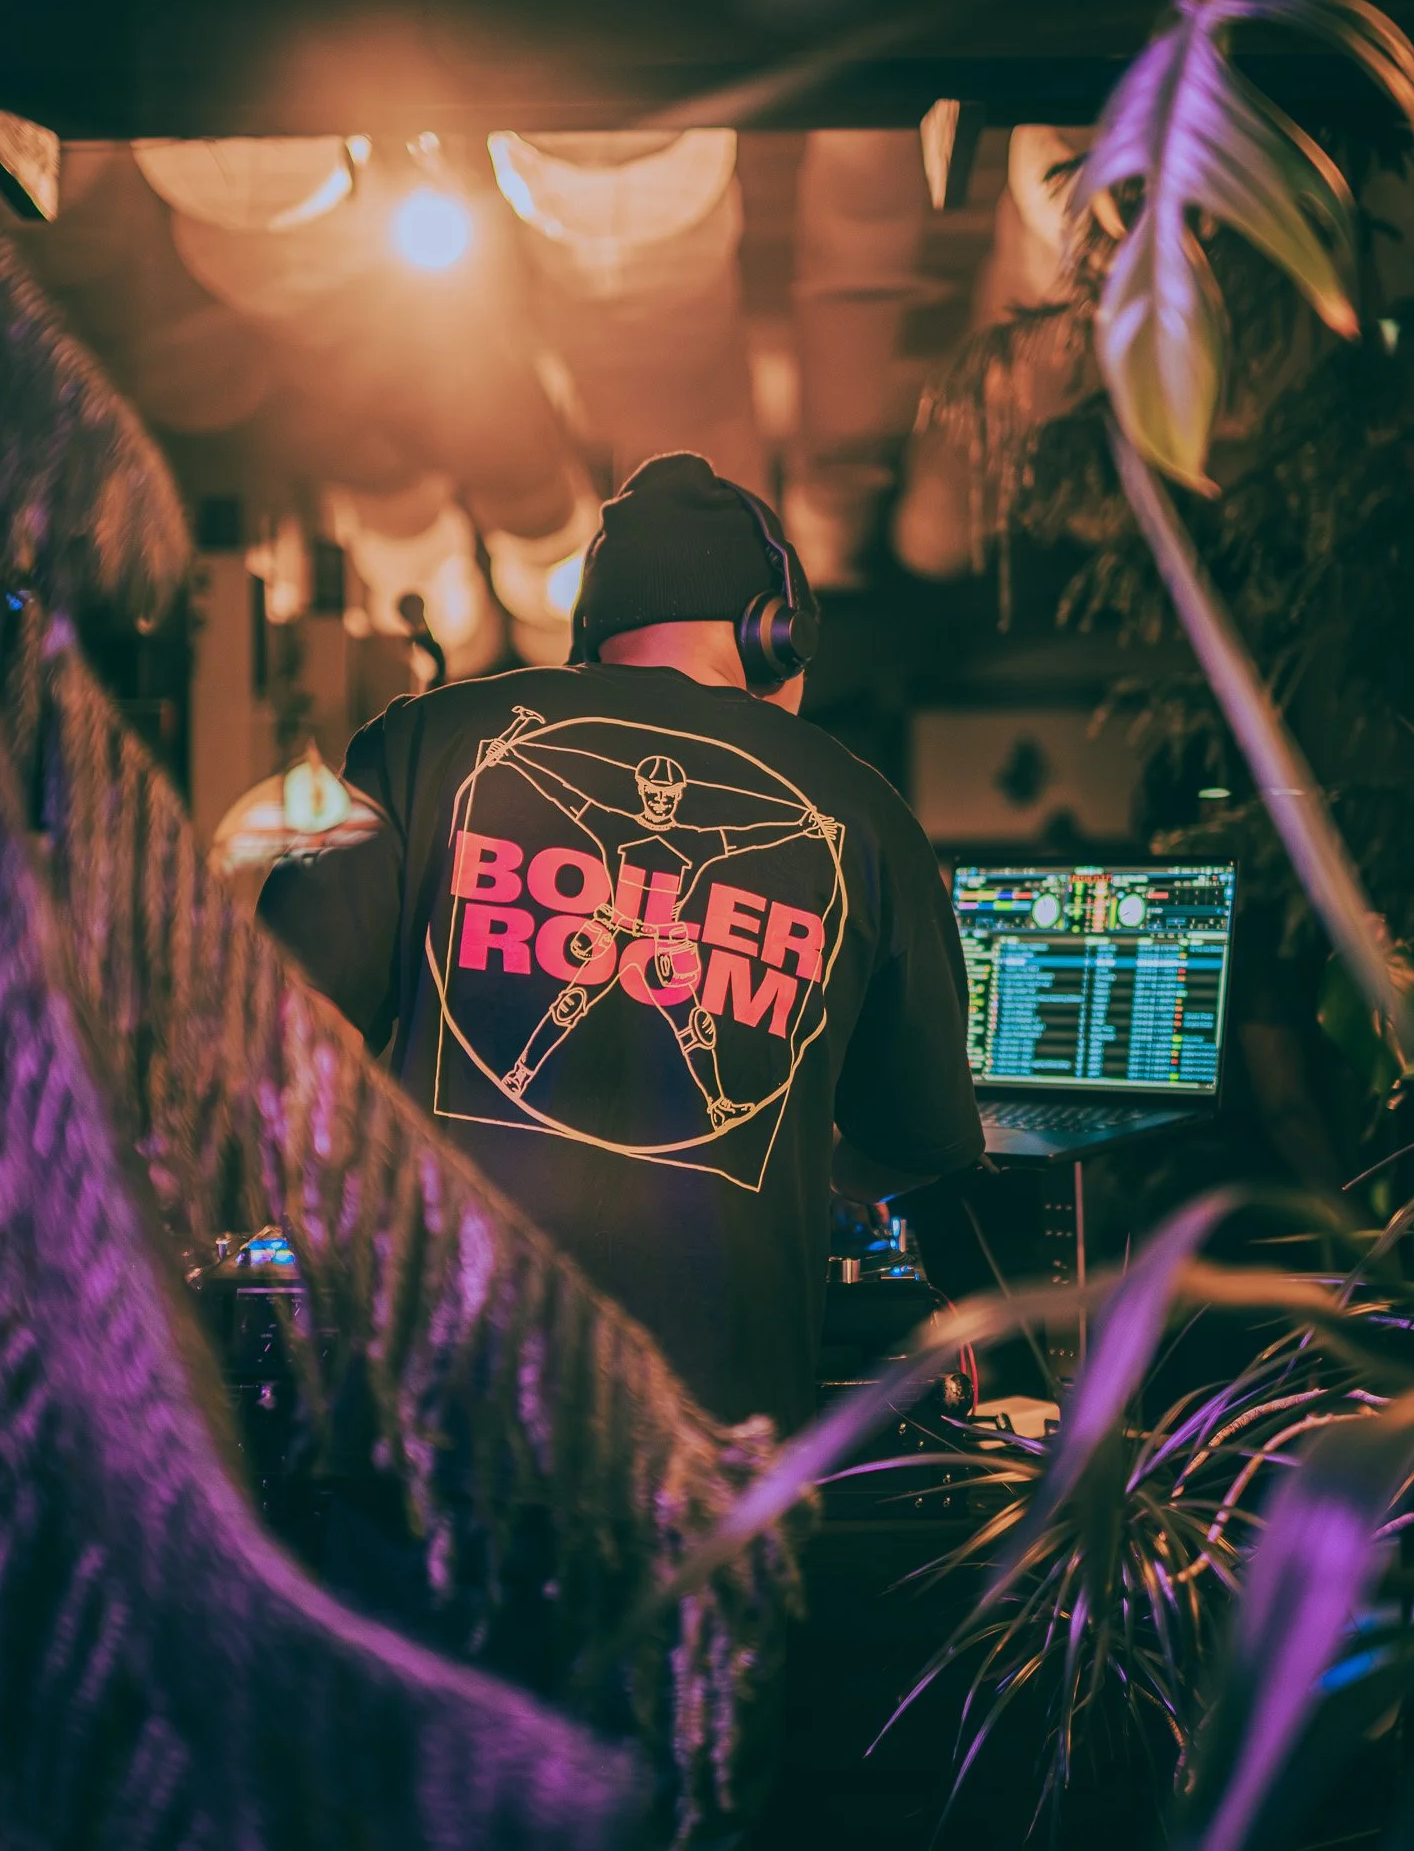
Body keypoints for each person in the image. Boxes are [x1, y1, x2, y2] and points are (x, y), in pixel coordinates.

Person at [260, 452, 984, 1435]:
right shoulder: (860, 812)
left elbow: (269, 1023)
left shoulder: (422, 742)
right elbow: (923, 1137)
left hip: (433, 1416)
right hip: (709, 1448)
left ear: (590, 630)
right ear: (775, 638)